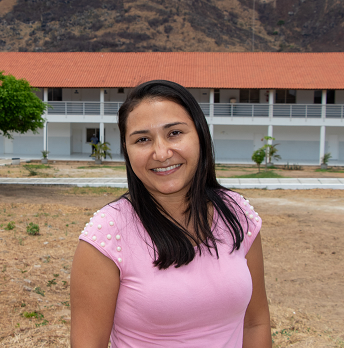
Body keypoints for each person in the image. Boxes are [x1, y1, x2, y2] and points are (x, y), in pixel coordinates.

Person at [71, 80, 271, 348]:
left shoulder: (237, 214)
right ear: (127, 151)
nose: (162, 153)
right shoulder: (108, 234)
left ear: (200, 134)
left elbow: (255, 322)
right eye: (142, 139)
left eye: (175, 133)